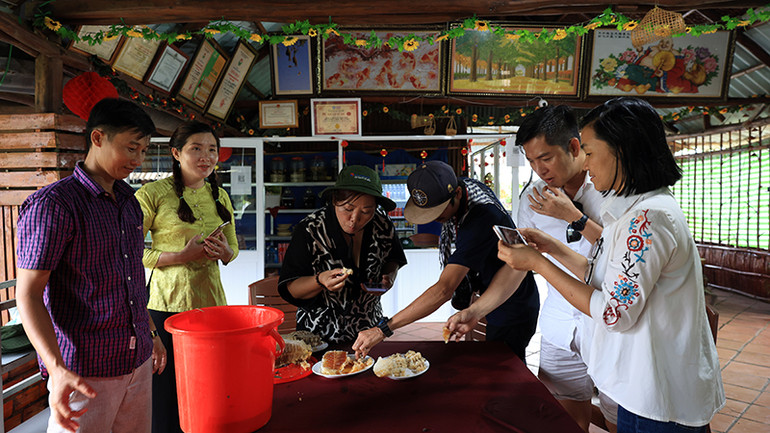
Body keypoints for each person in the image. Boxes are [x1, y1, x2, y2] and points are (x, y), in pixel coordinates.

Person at [450, 97, 725, 433]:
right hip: (632, 369)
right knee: (564, 413)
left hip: (653, 383)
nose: (588, 165)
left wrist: (541, 260)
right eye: (532, 161)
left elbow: (613, 311)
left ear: (620, 150)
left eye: (591, 153)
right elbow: (603, 267)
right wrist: (550, 250)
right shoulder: (637, 208)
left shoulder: (644, 218)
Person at [15, 98, 166, 433]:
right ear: (98, 138)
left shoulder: (129, 202)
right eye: (131, 147)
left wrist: (150, 332)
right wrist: (56, 370)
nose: (138, 159)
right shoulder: (54, 205)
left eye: (144, 150)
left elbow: (131, 279)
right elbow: (27, 295)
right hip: (84, 370)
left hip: (136, 360)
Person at [353, 161, 539, 360]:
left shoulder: (481, 218)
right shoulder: (466, 190)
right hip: (487, 294)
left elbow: (444, 289)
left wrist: (384, 329)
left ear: (457, 193)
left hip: (513, 304)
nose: (434, 218)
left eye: (438, 211)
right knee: (483, 361)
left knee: (505, 369)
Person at [515, 105, 616, 432]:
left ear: (575, 147)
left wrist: (574, 216)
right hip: (559, 326)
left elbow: (624, 255)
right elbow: (524, 261)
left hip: (611, 328)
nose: (539, 169)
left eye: (545, 158)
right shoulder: (531, 197)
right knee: (565, 422)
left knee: (620, 422)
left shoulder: (612, 188)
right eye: (531, 161)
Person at [135, 120, 238, 433]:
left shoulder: (220, 195)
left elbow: (232, 248)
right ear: (176, 153)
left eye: (211, 149)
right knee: (165, 392)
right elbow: (131, 251)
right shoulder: (151, 193)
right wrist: (180, 257)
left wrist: (224, 253)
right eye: (196, 149)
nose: (206, 156)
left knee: (210, 385)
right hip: (166, 307)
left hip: (212, 306)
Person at [278, 165, 407, 344]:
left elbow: (394, 258)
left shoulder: (383, 226)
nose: (355, 218)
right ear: (334, 201)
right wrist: (319, 280)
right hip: (317, 335)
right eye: (348, 208)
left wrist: (389, 276)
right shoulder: (310, 229)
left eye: (366, 211)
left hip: (369, 332)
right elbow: (291, 288)